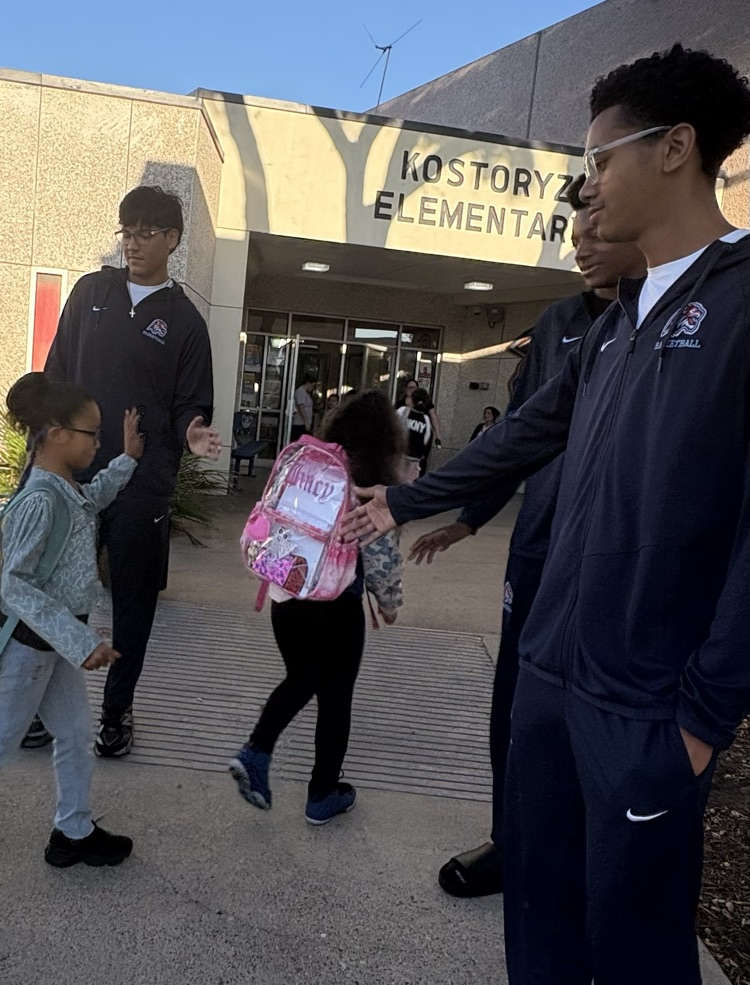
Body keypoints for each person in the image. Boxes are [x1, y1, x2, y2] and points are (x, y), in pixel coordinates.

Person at [344, 45, 750, 985]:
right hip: (550, 684)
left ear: (676, 149)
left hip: (648, 708)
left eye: (601, 159)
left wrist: (700, 718)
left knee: (639, 947)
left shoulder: (737, 302)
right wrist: (403, 498)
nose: (588, 186)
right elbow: (522, 436)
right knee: (538, 916)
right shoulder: (613, 321)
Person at [415, 174, 645, 900]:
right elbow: (517, 433)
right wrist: (468, 515)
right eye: (572, 235)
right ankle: (510, 841)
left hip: (620, 557)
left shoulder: (669, 319)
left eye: (592, 232)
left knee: (600, 709)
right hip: (541, 543)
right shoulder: (555, 326)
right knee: (515, 702)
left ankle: (582, 851)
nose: (580, 247)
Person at [43, 185, 219, 759]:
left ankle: (116, 714)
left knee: (132, 606)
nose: (133, 243)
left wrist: (193, 431)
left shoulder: (186, 322)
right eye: (127, 230)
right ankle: (44, 710)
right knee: (57, 594)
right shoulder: (90, 293)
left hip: (141, 483)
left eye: (146, 232)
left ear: (171, 239)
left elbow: (192, 402)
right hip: (74, 479)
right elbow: (56, 374)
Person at [229, 390, 405, 826]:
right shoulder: (368, 485)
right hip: (335, 605)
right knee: (335, 697)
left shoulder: (306, 464)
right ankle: (322, 793)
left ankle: (257, 750)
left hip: (285, 595)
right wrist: (390, 603)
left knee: (302, 677)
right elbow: (381, 556)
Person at [0, 373, 143, 866]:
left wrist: (127, 459)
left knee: (76, 734)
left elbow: (94, 498)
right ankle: (73, 831)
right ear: (57, 433)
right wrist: (80, 642)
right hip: (28, 648)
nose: (96, 443)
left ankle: (73, 833)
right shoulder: (40, 498)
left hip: (54, 647)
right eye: (92, 434)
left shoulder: (63, 487)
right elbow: (13, 584)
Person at [397, 379, 443, 452]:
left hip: (421, 434)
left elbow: (433, 416)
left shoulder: (425, 403)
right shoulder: (400, 405)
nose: (411, 390)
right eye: (409, 388)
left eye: (413, 388)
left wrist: (438, 434)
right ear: (406, 389)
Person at [396, 388, 433, 477]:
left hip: (399, 457)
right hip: (414, 461)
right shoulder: (426, 419)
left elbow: (391, 427)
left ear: (412, 400)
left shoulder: (403, 411)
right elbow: (425, 440)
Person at [291, 373, 317, 442]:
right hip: (300, 423)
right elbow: (301, 407)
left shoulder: (305, 393)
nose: (312, 388)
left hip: (303, 423)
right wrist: (306, 422)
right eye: (312, 386)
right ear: (308, 383)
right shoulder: (300, 392)